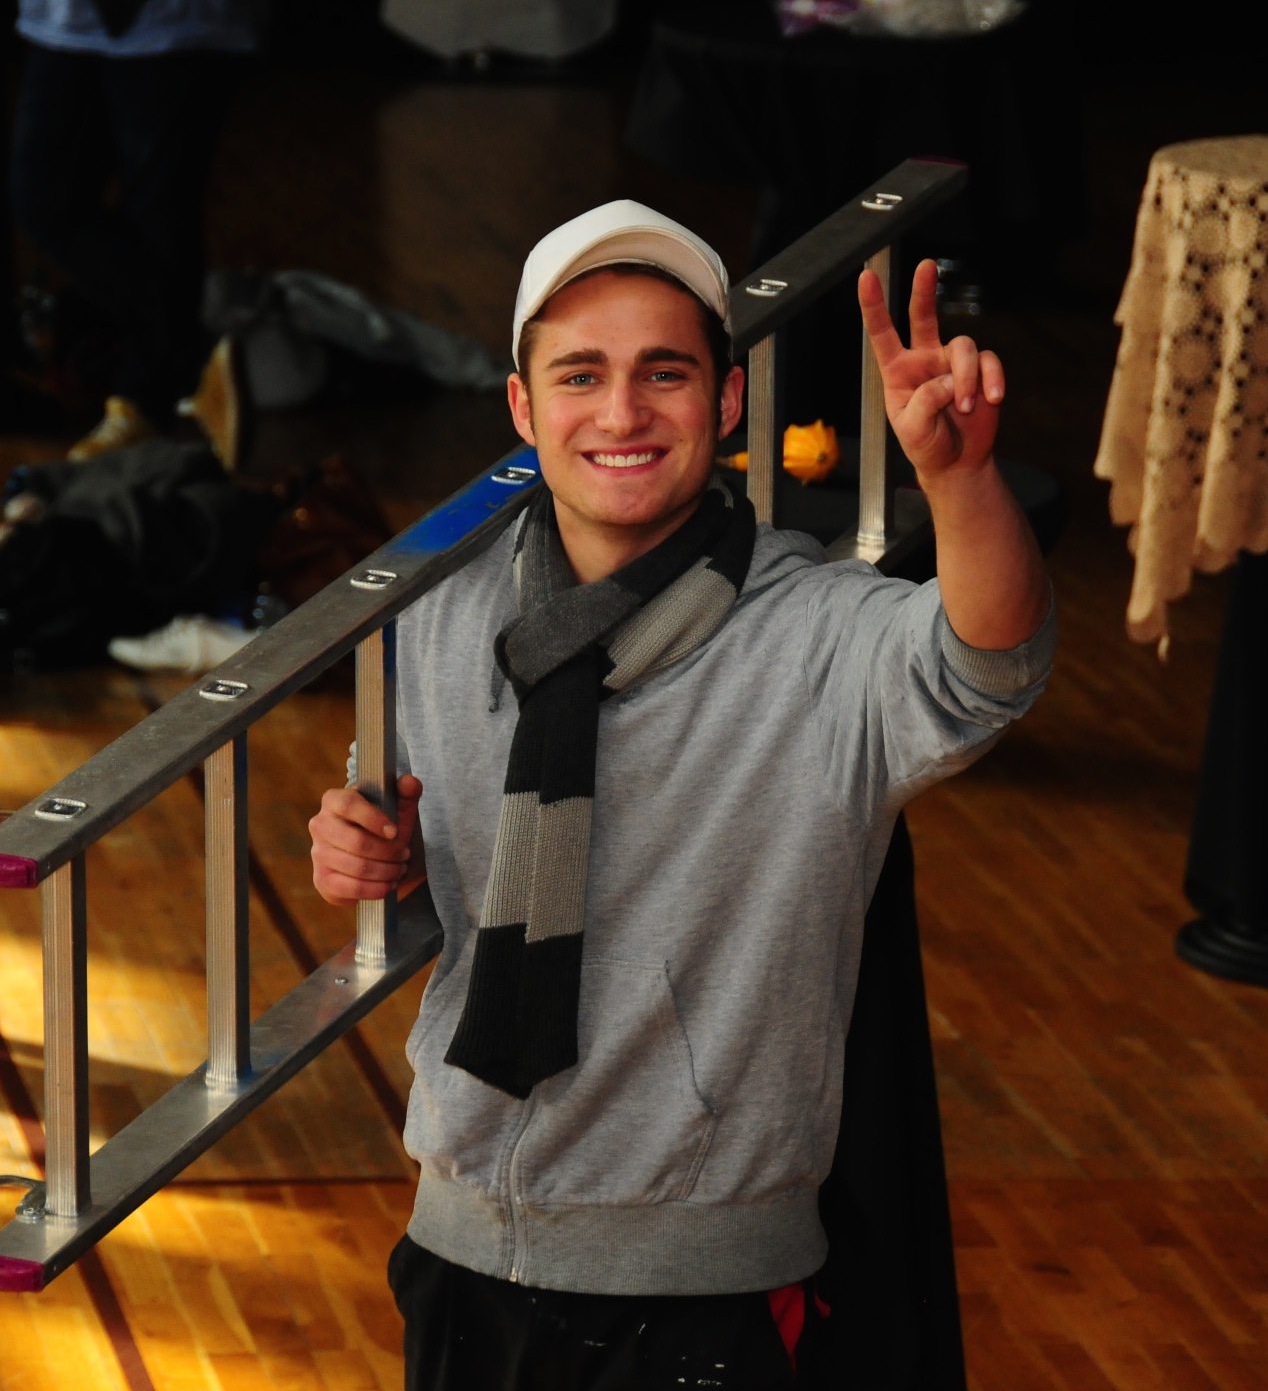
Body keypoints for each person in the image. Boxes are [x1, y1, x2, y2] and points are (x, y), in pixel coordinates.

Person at [307, 201, 1054, 1388]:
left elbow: (985, 666)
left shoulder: (815, 635)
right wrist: (365, 852)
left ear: (727, 399)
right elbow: (420, 861)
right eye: (580, 375)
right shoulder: (439, 613)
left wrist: (958, 483)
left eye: (663, 372)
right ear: (522, 409)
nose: (620, 413)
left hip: (709, 1290)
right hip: (459, 1245)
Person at [9, 0, 265, 459]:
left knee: (161, 212)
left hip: (176, 8)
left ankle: (144, 404)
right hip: (66, 8)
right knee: (44, 200)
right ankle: (193, 359)